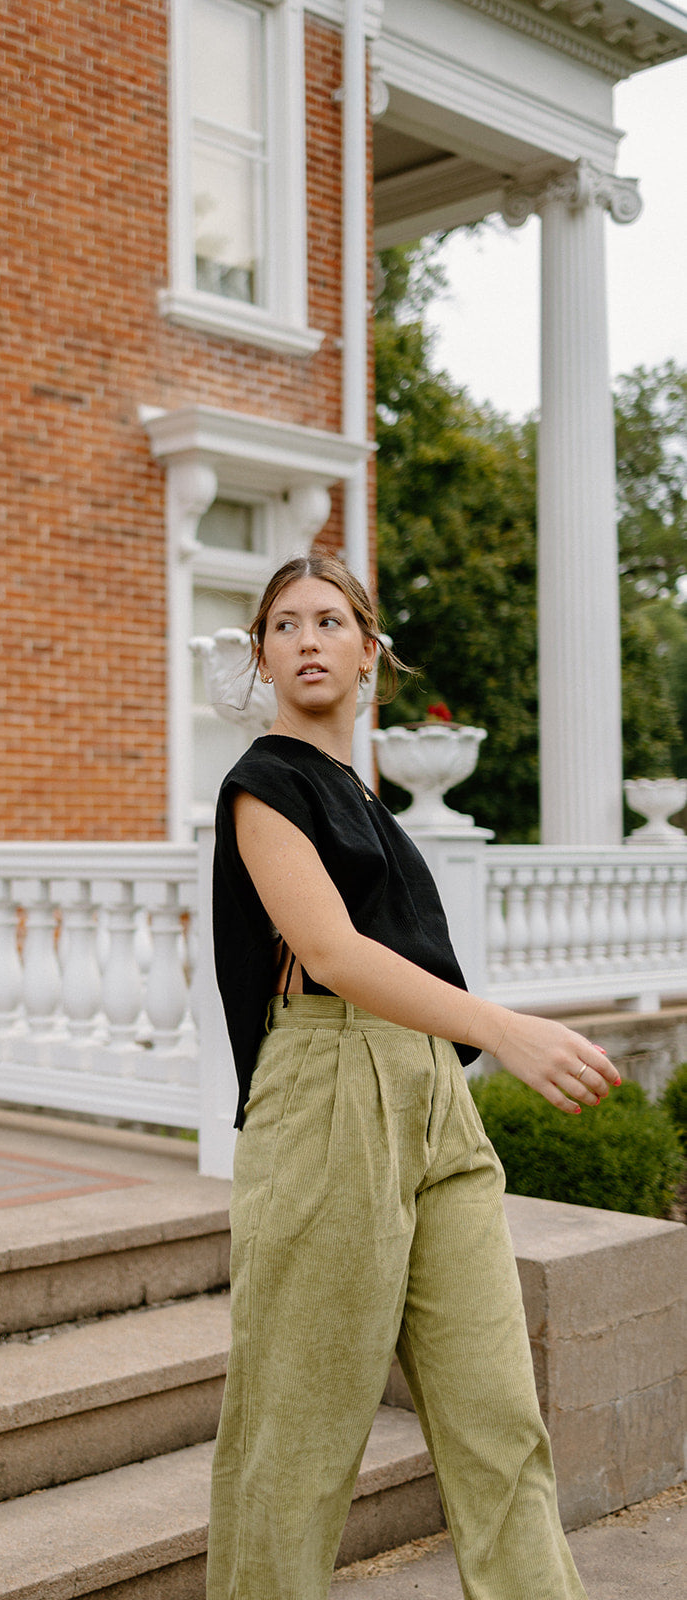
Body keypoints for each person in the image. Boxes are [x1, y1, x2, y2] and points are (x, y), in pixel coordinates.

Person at [205, 553, 618, 1600]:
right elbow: (332, 952)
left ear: (367, 653)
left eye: (330, 621)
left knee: (498, 1423)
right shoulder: (264, 784)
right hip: (327, 1086)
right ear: (260, 655)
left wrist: (462, 1048)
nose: (307, 638)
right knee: (294, 1437)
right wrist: (504, 1032)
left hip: (430, 1096)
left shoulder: (363, 798)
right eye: (285, 624)